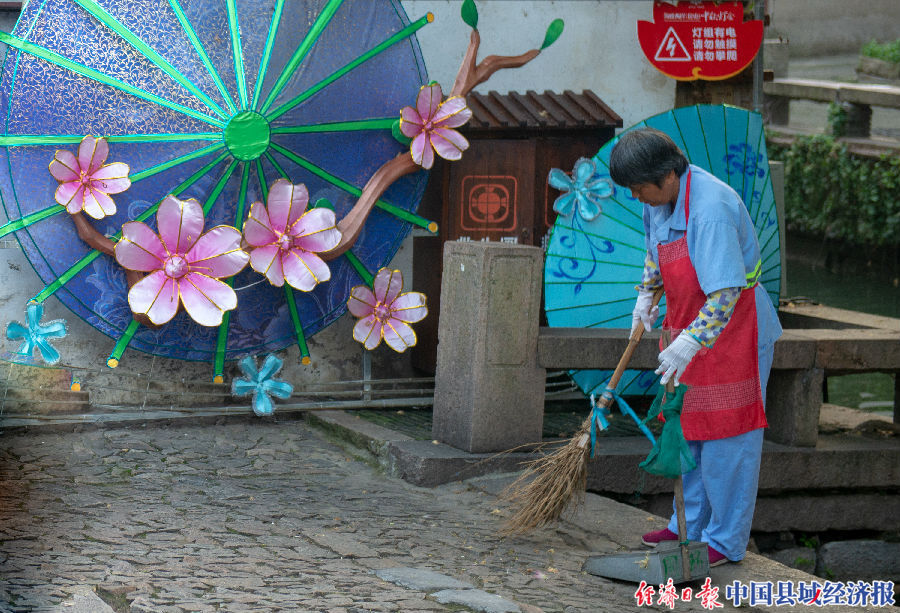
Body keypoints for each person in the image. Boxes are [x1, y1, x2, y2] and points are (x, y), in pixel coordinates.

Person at [608, 127, 782, 567]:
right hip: (690, 319)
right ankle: (687, 523)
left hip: (735, 325)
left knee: (729, 434)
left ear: (668, 175)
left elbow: (725, 293)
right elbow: (655, 251)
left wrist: (689, 342)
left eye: (638, 187)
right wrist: (645, 294)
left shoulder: (711, 209)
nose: (635, 197)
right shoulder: (659, 198)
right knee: (688, 423)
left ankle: (723, 539)